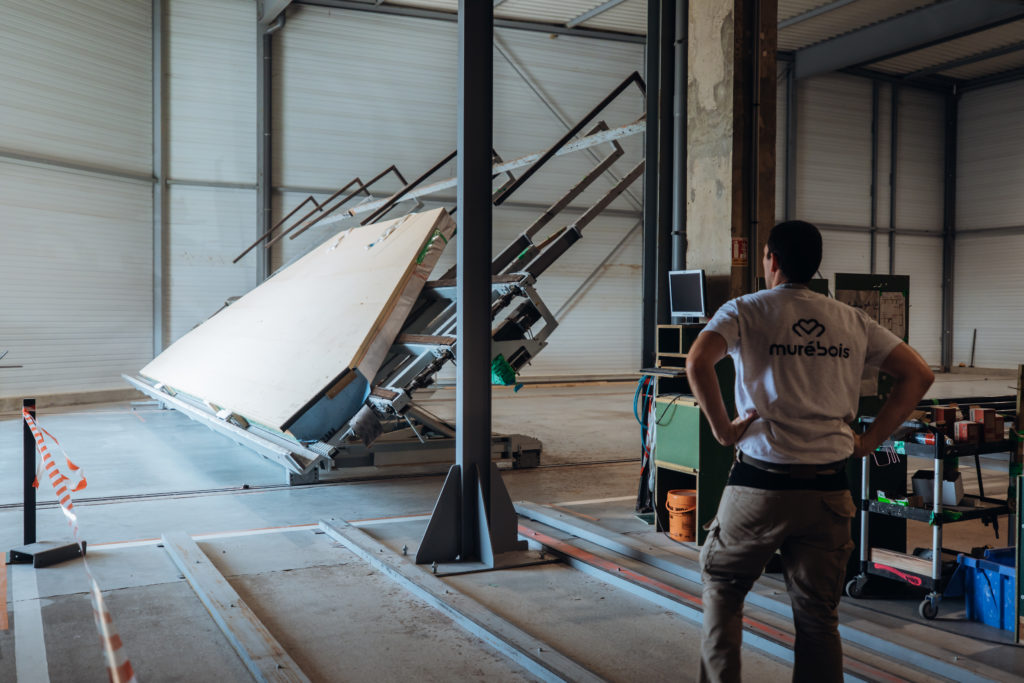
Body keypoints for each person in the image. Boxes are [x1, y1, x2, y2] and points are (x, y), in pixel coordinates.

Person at [685, 220, 934, 683]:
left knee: (723, 590)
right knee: (818, 617)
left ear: (772, 260)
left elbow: (698, 360)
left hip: (759, 485)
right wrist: (870, 440)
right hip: (827, 490)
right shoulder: (851, 319)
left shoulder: (744, 309)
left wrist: (723, 430)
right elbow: (918, 374)